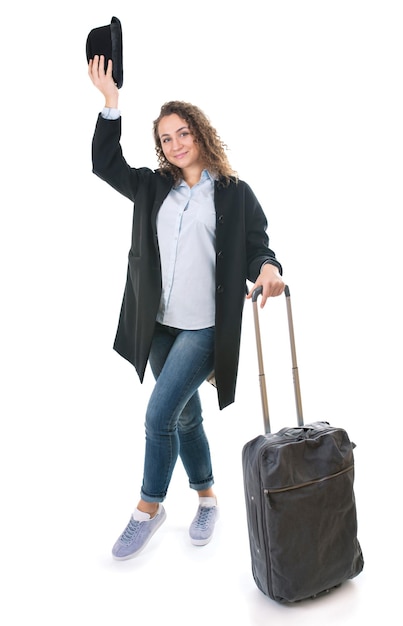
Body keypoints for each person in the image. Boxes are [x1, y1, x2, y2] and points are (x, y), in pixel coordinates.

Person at [88, 55, 285, 560]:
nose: (175, 145)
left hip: (203, 328)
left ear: (200, 133)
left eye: (182, 134)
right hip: (155, 325)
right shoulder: (154, 187)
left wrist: (266, 269)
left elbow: (258, 244)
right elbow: (104, 164)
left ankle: (147, 509)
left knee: (159, 415)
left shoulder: (234, 193)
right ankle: (207, 496)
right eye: (166, 139)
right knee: (185, 416)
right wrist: (111, 103)